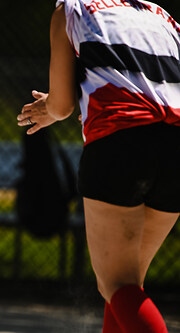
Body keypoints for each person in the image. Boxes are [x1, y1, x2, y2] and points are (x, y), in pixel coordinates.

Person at [17, 1, 180, 332]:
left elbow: (61, 105)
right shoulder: (161, 15)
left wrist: (52, 107)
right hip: (176, 144)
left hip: (121, 139)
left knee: (117, 283)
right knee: (127, 284)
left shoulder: (72, 8)